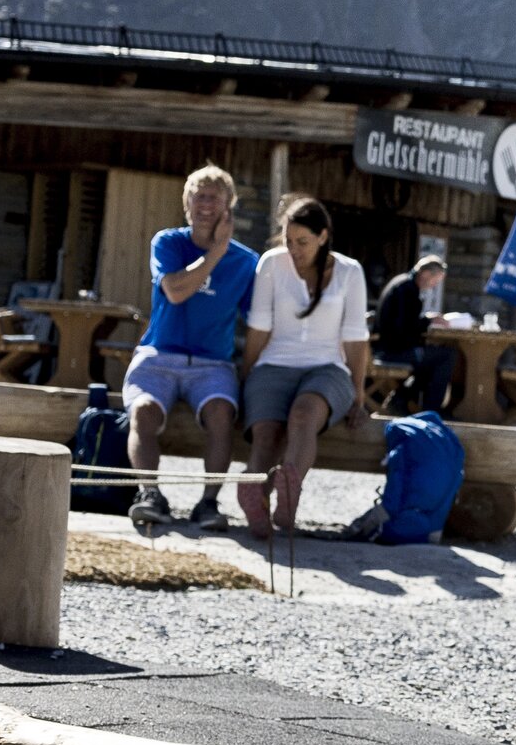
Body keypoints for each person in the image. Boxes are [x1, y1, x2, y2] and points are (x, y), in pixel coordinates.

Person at [122, 165, 260, 530]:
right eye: (198, 195)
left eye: (214, 197)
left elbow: (259, 321)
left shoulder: (247, 262)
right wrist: (216, 252)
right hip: (159, 354)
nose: (205, 204)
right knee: (144, 413)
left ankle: (209, 504)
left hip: (212, 362)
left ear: (229, 207)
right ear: (186, 203)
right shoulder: (167, 242)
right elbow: (176, 290)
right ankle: (150, 494)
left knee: (220, 414)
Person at [237, 196, 371, 540]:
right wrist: (245, 378)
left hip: (328, 367)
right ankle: (255, 494)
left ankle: (287, 485)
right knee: (266, 431)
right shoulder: (271, 263)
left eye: (303, 242)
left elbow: (356, 339)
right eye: (288, 241)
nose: (294, 250)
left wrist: (358, 395)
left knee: (303, 413)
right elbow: (259, 328)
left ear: (323, 237)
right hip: (274, 363)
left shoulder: (349, 271)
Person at [373, 255, 457, 414]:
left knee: (433, 355)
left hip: (387, 348)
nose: (434, 286)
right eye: (435, 281)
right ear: (425, 274)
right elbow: (404, 327)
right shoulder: (407, 290)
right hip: (392, 352)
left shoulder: (403, 283)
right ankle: (430, 411)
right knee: (447, 356)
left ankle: (402, 397)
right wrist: (428, 321)